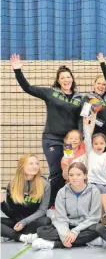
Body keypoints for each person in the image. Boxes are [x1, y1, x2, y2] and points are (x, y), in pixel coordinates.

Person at [11, 54, 83, 207]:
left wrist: (80, 137)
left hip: (69, 142)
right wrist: (17, 71)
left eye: (68, 77)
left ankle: (64, 204)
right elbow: (28, 88)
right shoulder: (50, 93)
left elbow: (80, 120)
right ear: (58, 80)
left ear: (72, 79)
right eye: (62, 77)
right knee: (56, 172)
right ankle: (50, 204)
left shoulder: (79, 98)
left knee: (68, 172)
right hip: (52, 138)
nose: (66, 80)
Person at [32, 162, 101, 251]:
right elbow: (60, 218)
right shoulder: (62, 192)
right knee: (41, 231)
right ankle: (86, 241)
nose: (74, 178)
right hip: (67, 225)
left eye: (78, 175)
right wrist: (65, 234)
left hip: (85, 227)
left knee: (97, 230)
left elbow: (94, 218)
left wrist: (75, 231)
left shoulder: (94, 191)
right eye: (71, 175)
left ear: (85, 175)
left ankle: (55, 244)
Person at [1, 154, 51, 243]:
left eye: (36, 164)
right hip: (17, 222)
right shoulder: (12, 185)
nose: (35, 166)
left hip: (34, 222)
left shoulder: (45, 184)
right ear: (22, 166)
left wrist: (24, 222)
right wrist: (2, 203)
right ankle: (22, 237)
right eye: (31, 164)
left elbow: (42, 211)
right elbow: (12, 212)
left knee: (46, 221)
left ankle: (11, 234)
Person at [83, 112, 106, 224]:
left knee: (101, 191)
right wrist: (85, 124)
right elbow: (87, 138)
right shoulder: (90, 153)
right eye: (96, 144)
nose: (98, 146)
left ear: (105, 144)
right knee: (97, 191)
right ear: (92, 145)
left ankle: (102, 216)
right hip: (93, 183)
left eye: (101, 143)